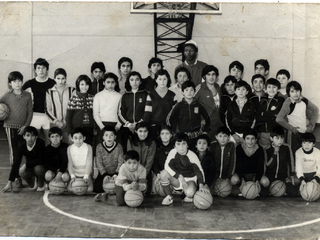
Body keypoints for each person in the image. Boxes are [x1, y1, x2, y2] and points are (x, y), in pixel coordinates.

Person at [159, 132, 209, 205]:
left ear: (187, 145)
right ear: (174, 145)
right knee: (163, 174)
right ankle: (169, 196)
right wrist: (180, 176)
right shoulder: (173, 152)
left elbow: (199, 172)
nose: (181, 147)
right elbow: (167, 166)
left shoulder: (192, 155)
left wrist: (201, 186)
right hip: (178, 179)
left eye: (184, 144)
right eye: (178, 144)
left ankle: (187, 193)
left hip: (190, 180)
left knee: (189, 193)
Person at [276, 81, 319, 156]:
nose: (295, 94)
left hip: (304, 133)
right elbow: (279, 119)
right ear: (288, 93)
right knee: (293, 155)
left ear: (300, 91)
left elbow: (315, 110)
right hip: (293, 135)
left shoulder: (304, 100)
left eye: (297, 91)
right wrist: (292, 128)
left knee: (303, 155)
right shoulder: (288, 103)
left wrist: (311, 126)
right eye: (292, 91)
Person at [0, 71, 33, 169]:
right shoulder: (7, 95)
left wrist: (25, 126)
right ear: (10, 83)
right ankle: (16, 176)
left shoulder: (27, 95)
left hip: (24, 127)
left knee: (27, 150)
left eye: (19, 81)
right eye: (14, 81)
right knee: (14, 151)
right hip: (10, 126)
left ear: (22, 82)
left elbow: (30, 112)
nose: (17, 83)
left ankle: (28, 172)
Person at [22, 58, 56, 145]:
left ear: (47, 70)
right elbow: (19, 94)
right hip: (34, 117)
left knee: (50, 142)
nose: (41, 70)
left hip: (49, 117)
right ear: (35, 70)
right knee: (34, 143)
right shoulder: (29, 83)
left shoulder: (53, 83)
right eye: (38, 68)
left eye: (43, 68)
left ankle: (49, 159)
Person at [2, 126, 46, 193]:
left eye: (33, 136)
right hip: (30, 167)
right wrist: (9, 182)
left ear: (36, 137)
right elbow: (16, 163)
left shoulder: (40, 143)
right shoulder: (22, 146)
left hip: (40, 166)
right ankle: (34, 181)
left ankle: (41, 184)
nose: (30, 138)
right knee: (22, 172)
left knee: (38, 169)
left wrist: (26, 164)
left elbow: (41, 159)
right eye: (28, 135)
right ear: (24, 137)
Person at [167, 81, 210, 147]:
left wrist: (205, 131)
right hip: (183, 137)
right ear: (182, 92)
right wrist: (175, 133)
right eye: (186, 90)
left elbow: (208, 118)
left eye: (191, 90)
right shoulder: (179, 106)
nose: (189, 92)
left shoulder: (198, 105)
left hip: (196, 136)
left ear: (195, 92)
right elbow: (171, 119)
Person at [117, 71, 149, 150]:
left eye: (137, 79)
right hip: (127, 128)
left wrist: (138, 124)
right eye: (132, 80)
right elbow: (120, 113)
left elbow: (148, 112)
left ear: (140, 81)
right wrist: (128, 124)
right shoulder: (124, 96)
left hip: (141, 128)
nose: (134, 82)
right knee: (127, 149)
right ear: (128, 82)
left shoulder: (145, 94)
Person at [261, 126, 296, 197]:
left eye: (282, 138)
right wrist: (274, 154)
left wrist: (291, 175)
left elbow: (291, 162)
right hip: (270, 177)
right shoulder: (267, 149)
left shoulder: (286, 148)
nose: (280, 140)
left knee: (294, 193)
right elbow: (268, 165)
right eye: (277, 138)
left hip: (283, 177)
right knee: (263, 194)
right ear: (271, 138)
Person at [45, 68, 75, 142]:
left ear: (66, 79)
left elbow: (74, 108)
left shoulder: (72, 90)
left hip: (68, 124)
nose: (61, 81)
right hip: (55, 124)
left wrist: (66, 121)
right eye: (58, 78)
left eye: (63, 78)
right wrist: (56, 122)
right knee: (55, 145)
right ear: (54, 79)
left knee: (67, 145)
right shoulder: (49, 92)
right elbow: (47, 109)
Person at [144, 69, 176, 137]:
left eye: (164, 79)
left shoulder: (172, 95)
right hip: (154, 127)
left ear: (168, 80)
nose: (162, 81)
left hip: (168, 127)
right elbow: (147, 114)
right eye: (160, 79)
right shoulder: (150, 94)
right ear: (156, 80)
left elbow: (174, 114)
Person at [127, 121, 156, 195]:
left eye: (145, 131)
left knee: (146, 192)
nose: (143, 134)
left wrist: (143, 175)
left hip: (145, 171)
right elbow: (130, 159)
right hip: (133, 170)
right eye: (140, 131)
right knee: (131, 190)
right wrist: (134, 175)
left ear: (148, 132)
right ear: (136, 131)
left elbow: (150, 160)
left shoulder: (152, 142)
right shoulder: (131, 141)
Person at [233, 129, 264, 196]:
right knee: (234, 180)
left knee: (265, 182)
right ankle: (240, 188)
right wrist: (242, 179)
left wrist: (257, 180)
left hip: (254, 174)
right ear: (244, 140)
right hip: (242, 174)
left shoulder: (259, 149)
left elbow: (260, 166)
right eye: (248, 138)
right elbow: (238, 165)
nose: (250, 141)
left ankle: (256, 189)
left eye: (253, 139)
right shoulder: (239, 148)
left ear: (256, 140)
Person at [256, 78, 285, 149]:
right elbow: (257, 116)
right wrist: (271, 115)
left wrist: (263, 113)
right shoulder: (262, 100)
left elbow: (277, 113)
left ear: (278, 89)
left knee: (277, 150)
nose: (271, 89)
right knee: (264, 151)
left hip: (276, 133)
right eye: (269, 87)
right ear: (265, 89)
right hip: (263, 132)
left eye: (274, 87)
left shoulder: (280, 100)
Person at [194, 65, 222, 140]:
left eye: (213, 74)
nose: (211, 77)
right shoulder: (200, 88)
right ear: (204, 76)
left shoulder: (218, 88)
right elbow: (193, 104)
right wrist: (199, 118)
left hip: (218, 124)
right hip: (205, 125)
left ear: (216, 76)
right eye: (208, 74)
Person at [66, 75, 95, 146]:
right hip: (77, 128)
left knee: (88, 147)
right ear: (78, 85)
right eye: (82, 84)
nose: (84, 87)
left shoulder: (93, 98)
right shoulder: (73, 98)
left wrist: (95, 128)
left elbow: (95, 115)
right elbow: (68, 117)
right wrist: (70, 132)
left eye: (86, 84)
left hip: (89, 128)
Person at [93, 72, 122, 143]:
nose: (110, 84)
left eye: (113, 82)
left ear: (116, 83)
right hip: (102, 125)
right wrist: (102, 127)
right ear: (103, 83)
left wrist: (118, 126)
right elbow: (95, 114)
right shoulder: (98, 96)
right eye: (108, 82)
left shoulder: (120, 96)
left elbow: (122, 113)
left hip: (116, 126)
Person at [94, 126, 124, 193]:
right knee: (97, 188)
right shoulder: (99, 146)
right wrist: (104, 174)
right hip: (104, 173)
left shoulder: (119, 146)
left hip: (116, 173)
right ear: (103, 137)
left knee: (120, 188)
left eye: (111, 135)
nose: (109, 137)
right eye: (106, 135)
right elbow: (99, 162)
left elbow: (120, 161)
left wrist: (116, 173)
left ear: (115, 137)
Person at [226, 80, 256, 145]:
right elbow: (227, 120)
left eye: (243, 89)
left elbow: (253, 120)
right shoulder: (231, 104)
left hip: (247, 134)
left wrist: (246, 135)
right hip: (233, 134)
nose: (241, 91)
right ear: (235, 91)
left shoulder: (251, 105)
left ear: (247, 92)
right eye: (238, 89)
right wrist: (233, 134)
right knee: (232, 150)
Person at [208, 126, 236, 192]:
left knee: (235, 192)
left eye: (225, 136)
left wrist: (228, 177)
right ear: (216, 137)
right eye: (220, 136)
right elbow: (210, 164)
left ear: (229, 137)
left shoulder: (231, 146)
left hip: (226, 176)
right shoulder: (212, 146)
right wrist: (214, 178)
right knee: (213, 191)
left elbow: (233, 162)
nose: (222, 139)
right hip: (215, 177)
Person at [67, 127, 93, 193]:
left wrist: (86, 176)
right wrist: (72, 176)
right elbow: (70, 163)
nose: (78, 141)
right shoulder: (69, 148)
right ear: (71, 138)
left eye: (80, 138)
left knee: (89, 190)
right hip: (75, 173)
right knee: (70, 190)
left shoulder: (88, 147)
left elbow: (89, 163)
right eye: (75, 138)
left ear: (84, 138)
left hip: (85, 173)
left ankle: (90, 180)